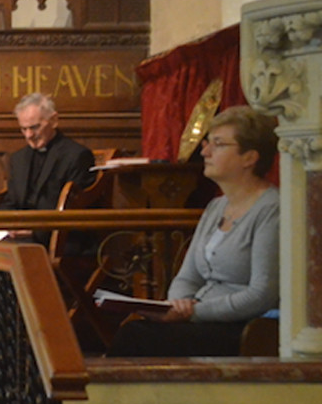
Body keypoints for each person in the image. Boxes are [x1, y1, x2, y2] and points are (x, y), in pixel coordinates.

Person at [109, 105, 280, 357]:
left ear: (249, 157)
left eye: (218, 144)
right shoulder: (216, 206)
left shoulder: (272, 208)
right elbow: (187, 277)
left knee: (136, 337)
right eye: (207, 143)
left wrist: (194, 311)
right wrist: (177, 305)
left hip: (245, 327)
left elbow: (261, 295)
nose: (205, 151)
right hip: (201, 318)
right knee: (134, 330)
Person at [0, 92, 96, 212]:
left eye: (34, 127)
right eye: (24, 129)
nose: (29, 135)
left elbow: (73, 210)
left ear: (54, 120)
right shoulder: (18, 158)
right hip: (18, 227)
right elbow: (11, 202)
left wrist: (33, 231)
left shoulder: (76, 156)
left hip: (54, 228)